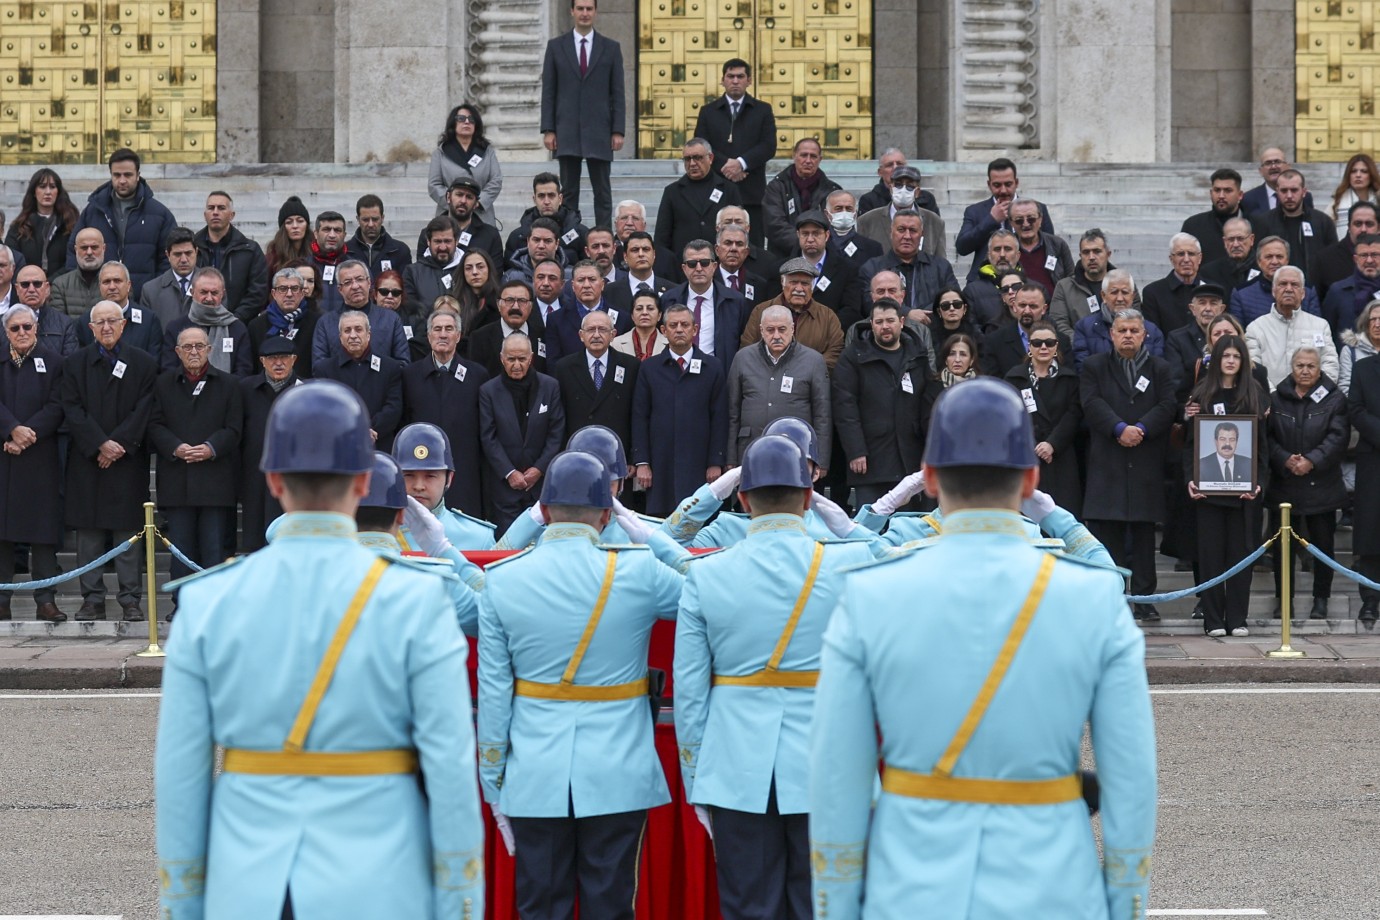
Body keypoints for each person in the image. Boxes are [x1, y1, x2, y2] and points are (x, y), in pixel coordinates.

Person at [808, 376, 1156, 920]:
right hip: (1054, 888)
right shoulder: (1092, 597)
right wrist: (1123, 906)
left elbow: (838, 781)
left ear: (927, 476)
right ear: (1032, 478)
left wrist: (838, 907)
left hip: (910, 887)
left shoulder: (871, 595)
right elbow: (1131, 779)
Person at [155, 380, 485, 920]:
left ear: (273, 479)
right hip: (380, 879)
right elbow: (449, 766)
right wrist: (458, 903)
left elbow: (181, 773)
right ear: (363, 481)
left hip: (249, 883)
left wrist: (186, 901)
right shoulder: (417, 599)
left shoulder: (209, 601)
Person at [673, 433, 872, 920]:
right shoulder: (851, 563)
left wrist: (697, 777)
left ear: (741, 499)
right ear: (809, 497)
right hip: (830, 767)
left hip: (736, 769)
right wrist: (846, 527)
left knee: (748, 907)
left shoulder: (707, 575)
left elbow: (690, 693)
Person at [477, 448, 681, 920]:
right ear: (608, 515)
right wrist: (653, 538)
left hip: (532, 770)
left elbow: (494, 695)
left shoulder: (503, 580)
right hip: (618, 769)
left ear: (543, 511)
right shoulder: (639, 570)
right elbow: (707, 590)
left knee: (539, 906)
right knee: (610, 905)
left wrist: (493, 781)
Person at [61, 300, 159, 621]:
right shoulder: (74, 364)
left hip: (127, 461)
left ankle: (130, 599)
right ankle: (92, 599)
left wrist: (118, 444)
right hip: (88, 461)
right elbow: (72, 409)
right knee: (88, 535)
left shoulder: (144, 363)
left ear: (123, 324)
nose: (106, 327)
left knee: (127, 533)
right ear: (90, 328)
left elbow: (144, 408)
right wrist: (100, 444)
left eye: (112, 321)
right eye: (99, 322)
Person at [1081, 309, 1178, 621]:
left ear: (1144, 334)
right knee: (1108, 538)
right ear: (1112, 334)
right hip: (1108, 462)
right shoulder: (1095, 366)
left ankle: (1145, 600)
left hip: (1145, 462)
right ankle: (1112, 599)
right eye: (1122, 330)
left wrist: (1143, 429)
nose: (1127, 336)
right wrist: (1119, 428)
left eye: (1133, 331)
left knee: (1143, 537)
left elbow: (1167, 405)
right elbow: (1092, 403)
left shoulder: (1160, 368)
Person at [148, 326, 243, 600]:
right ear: (177, 351)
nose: (194, 352)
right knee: (180, 549)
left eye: (199, 346)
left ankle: (212, 605)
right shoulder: (163, 384)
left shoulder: (229, 384)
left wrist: (211, 447)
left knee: (213, 549)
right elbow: (155, 424)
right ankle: (182, 604)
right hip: (177, 480)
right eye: (187, 347)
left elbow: (234, 428)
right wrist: (175, 447)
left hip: (215, 481)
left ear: (209, 350)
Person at [1183, 335, 1269, 636]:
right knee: (1210, 557)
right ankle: (1213, 620)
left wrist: (1258, 484)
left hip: (1244, 494)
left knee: (1240, 556)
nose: (1231, 361)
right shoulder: (1201, 396)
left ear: (1243, 361)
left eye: (1236, 356)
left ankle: (1237, 619)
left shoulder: (1255, 394)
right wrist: (1190, 481)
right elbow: (1190, 448)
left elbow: (1262, 449)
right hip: (1209, 494)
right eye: (1225, 356)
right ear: (1216, 360)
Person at [1266, 345, 1349, 623]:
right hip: (1285, 485)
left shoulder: (1335, 399)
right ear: (1292, 367)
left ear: (1319, 368)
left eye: (1310, 366)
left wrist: (1311, 461)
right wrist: (1285, 459)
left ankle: (1321, 600)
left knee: (1323, 547)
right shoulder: (1276, 399)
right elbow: (1267, 438)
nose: (1305, 370)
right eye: (1300, 365)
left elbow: (1338, 437)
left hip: (1322, 485)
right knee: (1282, 549)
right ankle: (1283, 600)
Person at [0, 305, 67, 623]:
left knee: (43, 535)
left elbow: (58, 405)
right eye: (15, 328)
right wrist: (12, 428)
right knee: (1, 535)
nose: (22, 333)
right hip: (4, 457)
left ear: (37, 327)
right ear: (6, 331)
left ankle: (46, 601)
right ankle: (1, 600)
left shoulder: (54, 362)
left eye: (27, 327)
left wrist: (28, 434)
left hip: (39, 458)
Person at [631, 303, 728, 515]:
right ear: (663, 331)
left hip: (699, 462)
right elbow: (640, 417)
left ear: (695, 329)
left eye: (685, 325)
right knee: (660, 519)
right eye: (673, 325)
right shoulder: (650, 368)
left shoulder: (713, 367)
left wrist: (716, 462)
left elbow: (720, 418)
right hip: (660, 462)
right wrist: (642, 462)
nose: (679, 330)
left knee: (699, 519)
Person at [832, 298, 928, 507]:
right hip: (870, 460)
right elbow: (845, 407)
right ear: (871, 324)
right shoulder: (853, 357)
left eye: (890, 320)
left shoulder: (917, 356)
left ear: (901, 322)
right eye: (879, 321)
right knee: (873, 526)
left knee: (907, 529)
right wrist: (856, 450)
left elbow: (926, 406)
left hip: (910, 459)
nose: (885, 326)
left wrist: (928, 452)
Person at [540, 0, 625, 226]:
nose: (584, 13)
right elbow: (549, 91)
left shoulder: (611, 48)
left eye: (589, 9)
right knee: (568, 192)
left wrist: (618, 130)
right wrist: (549, 129)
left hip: (600, 130)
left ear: (595, 12)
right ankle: (570, 235)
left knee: (603, 192)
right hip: (566, 129)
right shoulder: (556, 47)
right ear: (572, 11)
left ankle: (604, 237)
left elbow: (617, 92)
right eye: (580, 8)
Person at [479, 333, 566, 532]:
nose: (516, 364)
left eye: (522, 359)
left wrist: (539, 469)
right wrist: (509, 473)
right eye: (511, 359)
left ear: (531, 358)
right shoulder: (488, 391)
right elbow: (488, 437)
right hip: (505, 490)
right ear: (502, 359)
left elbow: (556, 433)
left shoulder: (550, 386)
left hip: (542, 488)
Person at [726, 305, 830, 466]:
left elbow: (822, 416)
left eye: (782, 329)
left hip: (797, 452)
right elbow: (732, 413)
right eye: (770, 330)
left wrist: (821, 461)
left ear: (792, 329)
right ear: (761, 330)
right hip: (750, 450)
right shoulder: (742, 358)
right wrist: (730, 459)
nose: (776, 336)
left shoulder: (813, 361)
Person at [66, 148, 176, 298]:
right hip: (99, 300)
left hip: (143, 299)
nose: (122, 180)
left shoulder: (160, 214)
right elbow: (75, 251)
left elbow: (168, 258)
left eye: (128, 175)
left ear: (138, 175)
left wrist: (153, 291)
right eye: (117, 175)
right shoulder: (93, 211)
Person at [1003, 318, 1083, 516]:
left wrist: (1052, 444)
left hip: (1060, 456)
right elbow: (1009, 416)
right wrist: (1032, 443)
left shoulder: (1070, 378)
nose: (1044, 347)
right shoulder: (1014, 378)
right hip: (1026, 454)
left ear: (1057, 347)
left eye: (1050, 343)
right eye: (1037, 343)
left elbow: (1074, 414)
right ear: (1029, 347)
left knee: (1059, 516)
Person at [693, 58, 778, 240]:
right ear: (723, 80)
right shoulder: (708, 112)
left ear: (749, 80)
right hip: (716, 187)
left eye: (740, 76)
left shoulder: (762, 110)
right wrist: (727, 166)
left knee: (751, 244)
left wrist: (742, 163)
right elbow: (701, 146)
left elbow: (768, 146)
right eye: (730, 76)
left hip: (751, 189)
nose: (735, 81)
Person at [393, 422, 498, 552]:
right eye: (408, 475)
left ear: (449, 479)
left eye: (430, 476)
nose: (419, 486)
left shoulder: (478, 538)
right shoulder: (374, 535)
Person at [238, 336, 299, 552]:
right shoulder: (246, 389)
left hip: (293, 478)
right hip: (254, 475)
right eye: (272, 359)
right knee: (254, 537)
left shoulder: (305, 391)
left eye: (284, 358)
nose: (278, 363)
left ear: (294, 360)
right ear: (262, 361)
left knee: (289, 538)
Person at [553, 310, 639, 459]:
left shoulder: (630, 366)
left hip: (617, 454)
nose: (597, 335)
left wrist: (632, 457)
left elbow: (636, 414)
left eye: (603, 330)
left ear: (613, 335)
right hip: (577, 453)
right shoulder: (564, 367)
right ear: (581, 335)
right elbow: (560, 417)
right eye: (591, 330)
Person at [314, 309, 405, 450]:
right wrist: (353, 431)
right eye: (347, 330)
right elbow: (324, 410)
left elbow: (393, 407)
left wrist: (370, 429)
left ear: (368, 334)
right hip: (337, 447)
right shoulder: (324, 370)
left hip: (378, 446)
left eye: (358, 329)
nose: (353, 335)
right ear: (340, 337)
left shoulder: (390, 367)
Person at [956, 157, 1056, 282]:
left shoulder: (1037, 209)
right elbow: (962, 247)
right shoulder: (975, 211)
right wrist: (991, 220)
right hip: (985, 281)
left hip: (1027, 281)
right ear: (989, 184)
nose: (1003, 190)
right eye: (997, 185)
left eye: (1008, 184)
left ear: (1016, 182)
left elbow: (1050, 246)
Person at [655, 138, 743, 277]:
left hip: (720, 269)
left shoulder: (728, 190)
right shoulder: (673, 192)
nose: (692, 163)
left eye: (697, 158)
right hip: (683, 270)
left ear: (711, 158)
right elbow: (662, 236)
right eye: (687, 159)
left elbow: (739, 229)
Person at [741, 258, 845, 370]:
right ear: (782, 283)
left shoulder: (828, 317)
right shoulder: (761, 311)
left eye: (805, 283)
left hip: (809, 383)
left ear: (812, 286)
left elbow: (835, 352)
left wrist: (804, 371)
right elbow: (748, 348)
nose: (799, 289)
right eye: (793, 282)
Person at [1244, 265, 1339, 387]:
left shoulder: (1320, 326)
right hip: (1270, 401)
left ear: (1303, 293)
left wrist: (1313, 396)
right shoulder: (1256, 328)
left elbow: (1330, 365)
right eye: (1283, 284)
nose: (1288, 289)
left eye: (1294, 285)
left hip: (1312, 402)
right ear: (1273, 291)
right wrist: (1274, 398)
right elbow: (1252, 369)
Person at [662, 239, 748, 367]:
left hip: (719, 375)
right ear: (684, 269)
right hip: (677, 372)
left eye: (704, 263)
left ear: (714, 266)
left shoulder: (735, 301)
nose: (698, 268)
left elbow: (742, 344)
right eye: (692, 264)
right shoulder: (669, 299)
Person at [313, 259, 409, 366]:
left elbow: (403, 363)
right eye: (348, 282)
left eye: (359, 279)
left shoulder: (391, 319)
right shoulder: (326, 323)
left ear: (369, 283)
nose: (355, 286)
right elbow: (319, 367)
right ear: (340, 289)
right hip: (339, 382)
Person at [161, 267, 253, 376]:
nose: (209, 298)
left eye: (214, 293)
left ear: (222, 294)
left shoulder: (237, 328)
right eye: (203, 292)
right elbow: (169, 370)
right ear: (192, 292)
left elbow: (244, 371)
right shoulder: (176, 328)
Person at [195, 191, 269, 322]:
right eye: (211, 208)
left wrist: (234, 319)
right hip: (197, 323)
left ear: (232, 215)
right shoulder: (193, 248)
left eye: (221, 208)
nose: (215, 212)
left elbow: (257, 292)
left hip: (238, 324)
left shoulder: (250, 250)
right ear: (205, 215)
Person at [762, 138, 842, 256]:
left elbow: (836, 227)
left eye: (813, 156)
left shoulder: (832, 191)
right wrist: (806, 243)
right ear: (794, 156)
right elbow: (774, 225)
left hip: (821, 257)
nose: (808, 160)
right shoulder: (777, 187)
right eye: (804, 155)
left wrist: (813, 244)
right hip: (783, 257)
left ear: (820, 159)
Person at [1254, 168, 1338, 281]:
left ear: (1304, 192)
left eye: (1294, 190)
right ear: (1277, 191)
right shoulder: (1263, 222)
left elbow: (1332, 259)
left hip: (1314, 291)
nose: (1289, 196)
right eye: (1284, 191)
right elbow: (1257, 259)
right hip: (1274, 289)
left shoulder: (1322, 222)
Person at [73, 261, 164, 363]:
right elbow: (82, 362)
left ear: (128, 285)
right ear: (100, 287)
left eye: (117, 281)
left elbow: (153, 363)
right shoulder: (85, 321)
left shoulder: (149, 320)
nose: (112, 287)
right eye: (106, 282)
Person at [1074, 270, 1165, 370]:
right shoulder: (1084, 328)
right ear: (1103, 296)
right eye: (1114, 292)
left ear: (1133, 296)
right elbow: (1083, 369)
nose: (1120, 298)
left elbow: (1157, 370)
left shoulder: (1152, 331)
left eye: (1125, 292)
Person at [429, 103, 504, 224]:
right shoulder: (441, 152)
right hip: (449, 215)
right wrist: (455, 203)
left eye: (471, 119)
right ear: (453, 123)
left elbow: (496, 180)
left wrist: (478, 202)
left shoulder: (487, 150)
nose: (467, 122)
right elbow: (434, 185)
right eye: (461, 119)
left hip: (481, 214)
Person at [1347, 345, 1380, 625]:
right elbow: (1355, 410)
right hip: (1374, 461)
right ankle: (1370, 601)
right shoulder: (1364, 369)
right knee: (1371, 533)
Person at [854, 165, 947, 261]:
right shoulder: (867, 221)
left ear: (917, 192)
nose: (903, 190)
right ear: (891, 189)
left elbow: (941, 263)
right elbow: (861, 262)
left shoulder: (934, 222)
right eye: (898, 185)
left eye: (910, 186)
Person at [4, 168, 79, 276]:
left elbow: (73, 261)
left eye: (52, 187)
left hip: (62, 287)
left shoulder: (70, 225)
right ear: (34, 191)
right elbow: (12, 260)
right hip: (28, 286)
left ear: (58, 191)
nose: (48, 192)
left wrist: (53, 282)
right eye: (42, 186)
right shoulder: (19, 227)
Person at [247, 267, 320, 379]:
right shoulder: (256, 326)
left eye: (295, 288)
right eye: (283, 289)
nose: (289, 294)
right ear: (274, 293)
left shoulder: (316, 323)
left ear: (302, 293)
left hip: (305, 389)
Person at [981, 282, 1066, 377]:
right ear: (1014, 307)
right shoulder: (995, 341)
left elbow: (1067, 380)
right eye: (1022, 305)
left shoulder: (1062, 341)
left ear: (1044, 309)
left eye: (1033, 306)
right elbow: (994, 382)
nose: (1027, 311)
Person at [467, 278, 548, 377]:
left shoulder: (543, 335)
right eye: (509, 300)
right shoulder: (479, 338)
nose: (515, 307)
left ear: (531, 306)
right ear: (498, 305)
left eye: (522, 301)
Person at [425, 176, 506, 268]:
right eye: (459, 195)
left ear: (476, 203)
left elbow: (495, 275)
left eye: (469, 197)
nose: (463, 201)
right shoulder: (429, 233)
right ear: (448, 197)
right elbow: (422, 271)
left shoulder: (490, 236)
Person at [1141, 232, 1205, 336]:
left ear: (1200, 258)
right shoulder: (1153, 292)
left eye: (1191, 254)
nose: (1186, 259)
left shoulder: (1212, 290)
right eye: (1180, 254)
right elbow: (1154, 336)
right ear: (1171, 259)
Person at [1321, 231, 1380, 343]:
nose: (1369, 260)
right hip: (1349, 358)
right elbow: (1327, 331)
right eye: (1363, 255)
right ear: (1355, 259)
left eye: (1375, 255)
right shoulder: (1338, 291)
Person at [1182, 168, 1248, 265]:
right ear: (1211, 193)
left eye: (1228, 190)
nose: (1221, 196)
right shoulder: (1193, 226)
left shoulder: (1256, 225)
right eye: (1217, 190)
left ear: (1240, 195)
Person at [140, 227, 200, 331]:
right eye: (177, 254)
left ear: (196, 252)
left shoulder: (213, 285)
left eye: (188, 253)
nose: (184, 260)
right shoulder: (150, 291)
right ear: (168, 255)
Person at [13, 265, 78, 358]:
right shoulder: (3, 323)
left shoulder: (65, 324)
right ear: (17, 289)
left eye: (37, 284)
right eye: (25, 284)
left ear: (47, 288)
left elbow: (70, 365)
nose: (31, 289)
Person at [346, 193, 413, 278]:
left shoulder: (400, 250)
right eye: (365, 220)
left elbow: (405, 286)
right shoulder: (346, 251)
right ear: (358, 219)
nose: (370, 224)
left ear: (382, 218)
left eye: (375, 219)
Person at [1241, 146, 1315, 216]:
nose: (1273, 167)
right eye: (1268, 163)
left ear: (1288, 167)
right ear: (1261, 171)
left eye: (1277, 162)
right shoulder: (1248, 198)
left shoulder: (1304, 196)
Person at [1331, 153, 1380, 237]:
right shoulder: (1337, 203)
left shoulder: (1378, 200)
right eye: (1353, 171)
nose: (1358, 175)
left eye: (1364, 171)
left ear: (1371, 175)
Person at [457, 249, 501, 340]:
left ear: (489, 269)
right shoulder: (455, 303)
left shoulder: (500, 302)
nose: (475, 272)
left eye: (480, 267)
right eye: (468, 268)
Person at [611, 289, 667, 360]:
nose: (644, 312)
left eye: (650, 308)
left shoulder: (669, 344)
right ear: (632, 316)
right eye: (639, 309)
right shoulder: (615, 344)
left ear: (659, 315)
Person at [930, 287, 983, 358]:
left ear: (965, 308)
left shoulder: (976, 334)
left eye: (957, 304)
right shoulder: (929, 336)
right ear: (939, 311)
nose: (952, 309)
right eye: (945, 305)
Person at [265, 196, 313, 276]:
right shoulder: (272, 258)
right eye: (289, 222)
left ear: (307, 225)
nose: (295, 226)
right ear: (283, 228)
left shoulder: (316, 251)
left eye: (300, 221)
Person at [1341, 299, 1380, 394]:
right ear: (1366, 322)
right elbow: (1345, 387)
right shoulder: (1351, 351)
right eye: (1373, 319)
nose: (1377, 325)